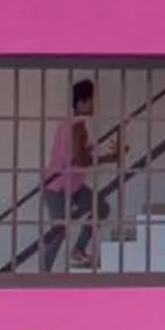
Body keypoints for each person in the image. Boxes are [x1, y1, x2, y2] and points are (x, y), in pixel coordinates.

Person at [37, 78, 119, 271]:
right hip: (57, 187)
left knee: (100, 207)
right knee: (59, 232)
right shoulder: (77, 126)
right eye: (91, 101)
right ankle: (43, 274)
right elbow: (79, 160)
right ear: (81, 103)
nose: (93, 105)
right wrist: (109, 158)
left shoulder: (69, 124)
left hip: (72, 185)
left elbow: (76, 155)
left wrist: (95, 152)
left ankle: (78, 249)